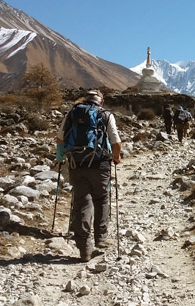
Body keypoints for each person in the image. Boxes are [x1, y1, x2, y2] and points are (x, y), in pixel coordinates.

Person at [56, 90, 122, 262]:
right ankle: (101, 239)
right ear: (101, 101)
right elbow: (116, 142)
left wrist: (60, 157)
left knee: (82, 202)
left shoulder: (73, 112)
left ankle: (84, 248)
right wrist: (116, 157)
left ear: (86, 99)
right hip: (100, 164)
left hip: (76, 164)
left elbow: (60, 139)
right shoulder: (106, 114)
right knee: (101, 199)